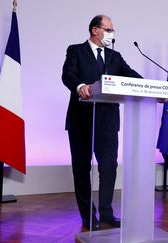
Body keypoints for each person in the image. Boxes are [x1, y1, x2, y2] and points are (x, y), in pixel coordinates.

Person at [62, 15, 142, 230]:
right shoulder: (76, 50)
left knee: (109, 168)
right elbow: (67, 74)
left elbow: (130, 75)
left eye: (113, 31)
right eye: (108, 30)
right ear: (95, 30)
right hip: (81, 120)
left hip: (107, 121)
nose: (111, 34)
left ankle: (107, 213)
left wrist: (150, 87)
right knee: (82, 169)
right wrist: (80, 86)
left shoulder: (115, 56)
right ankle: (88, 215)